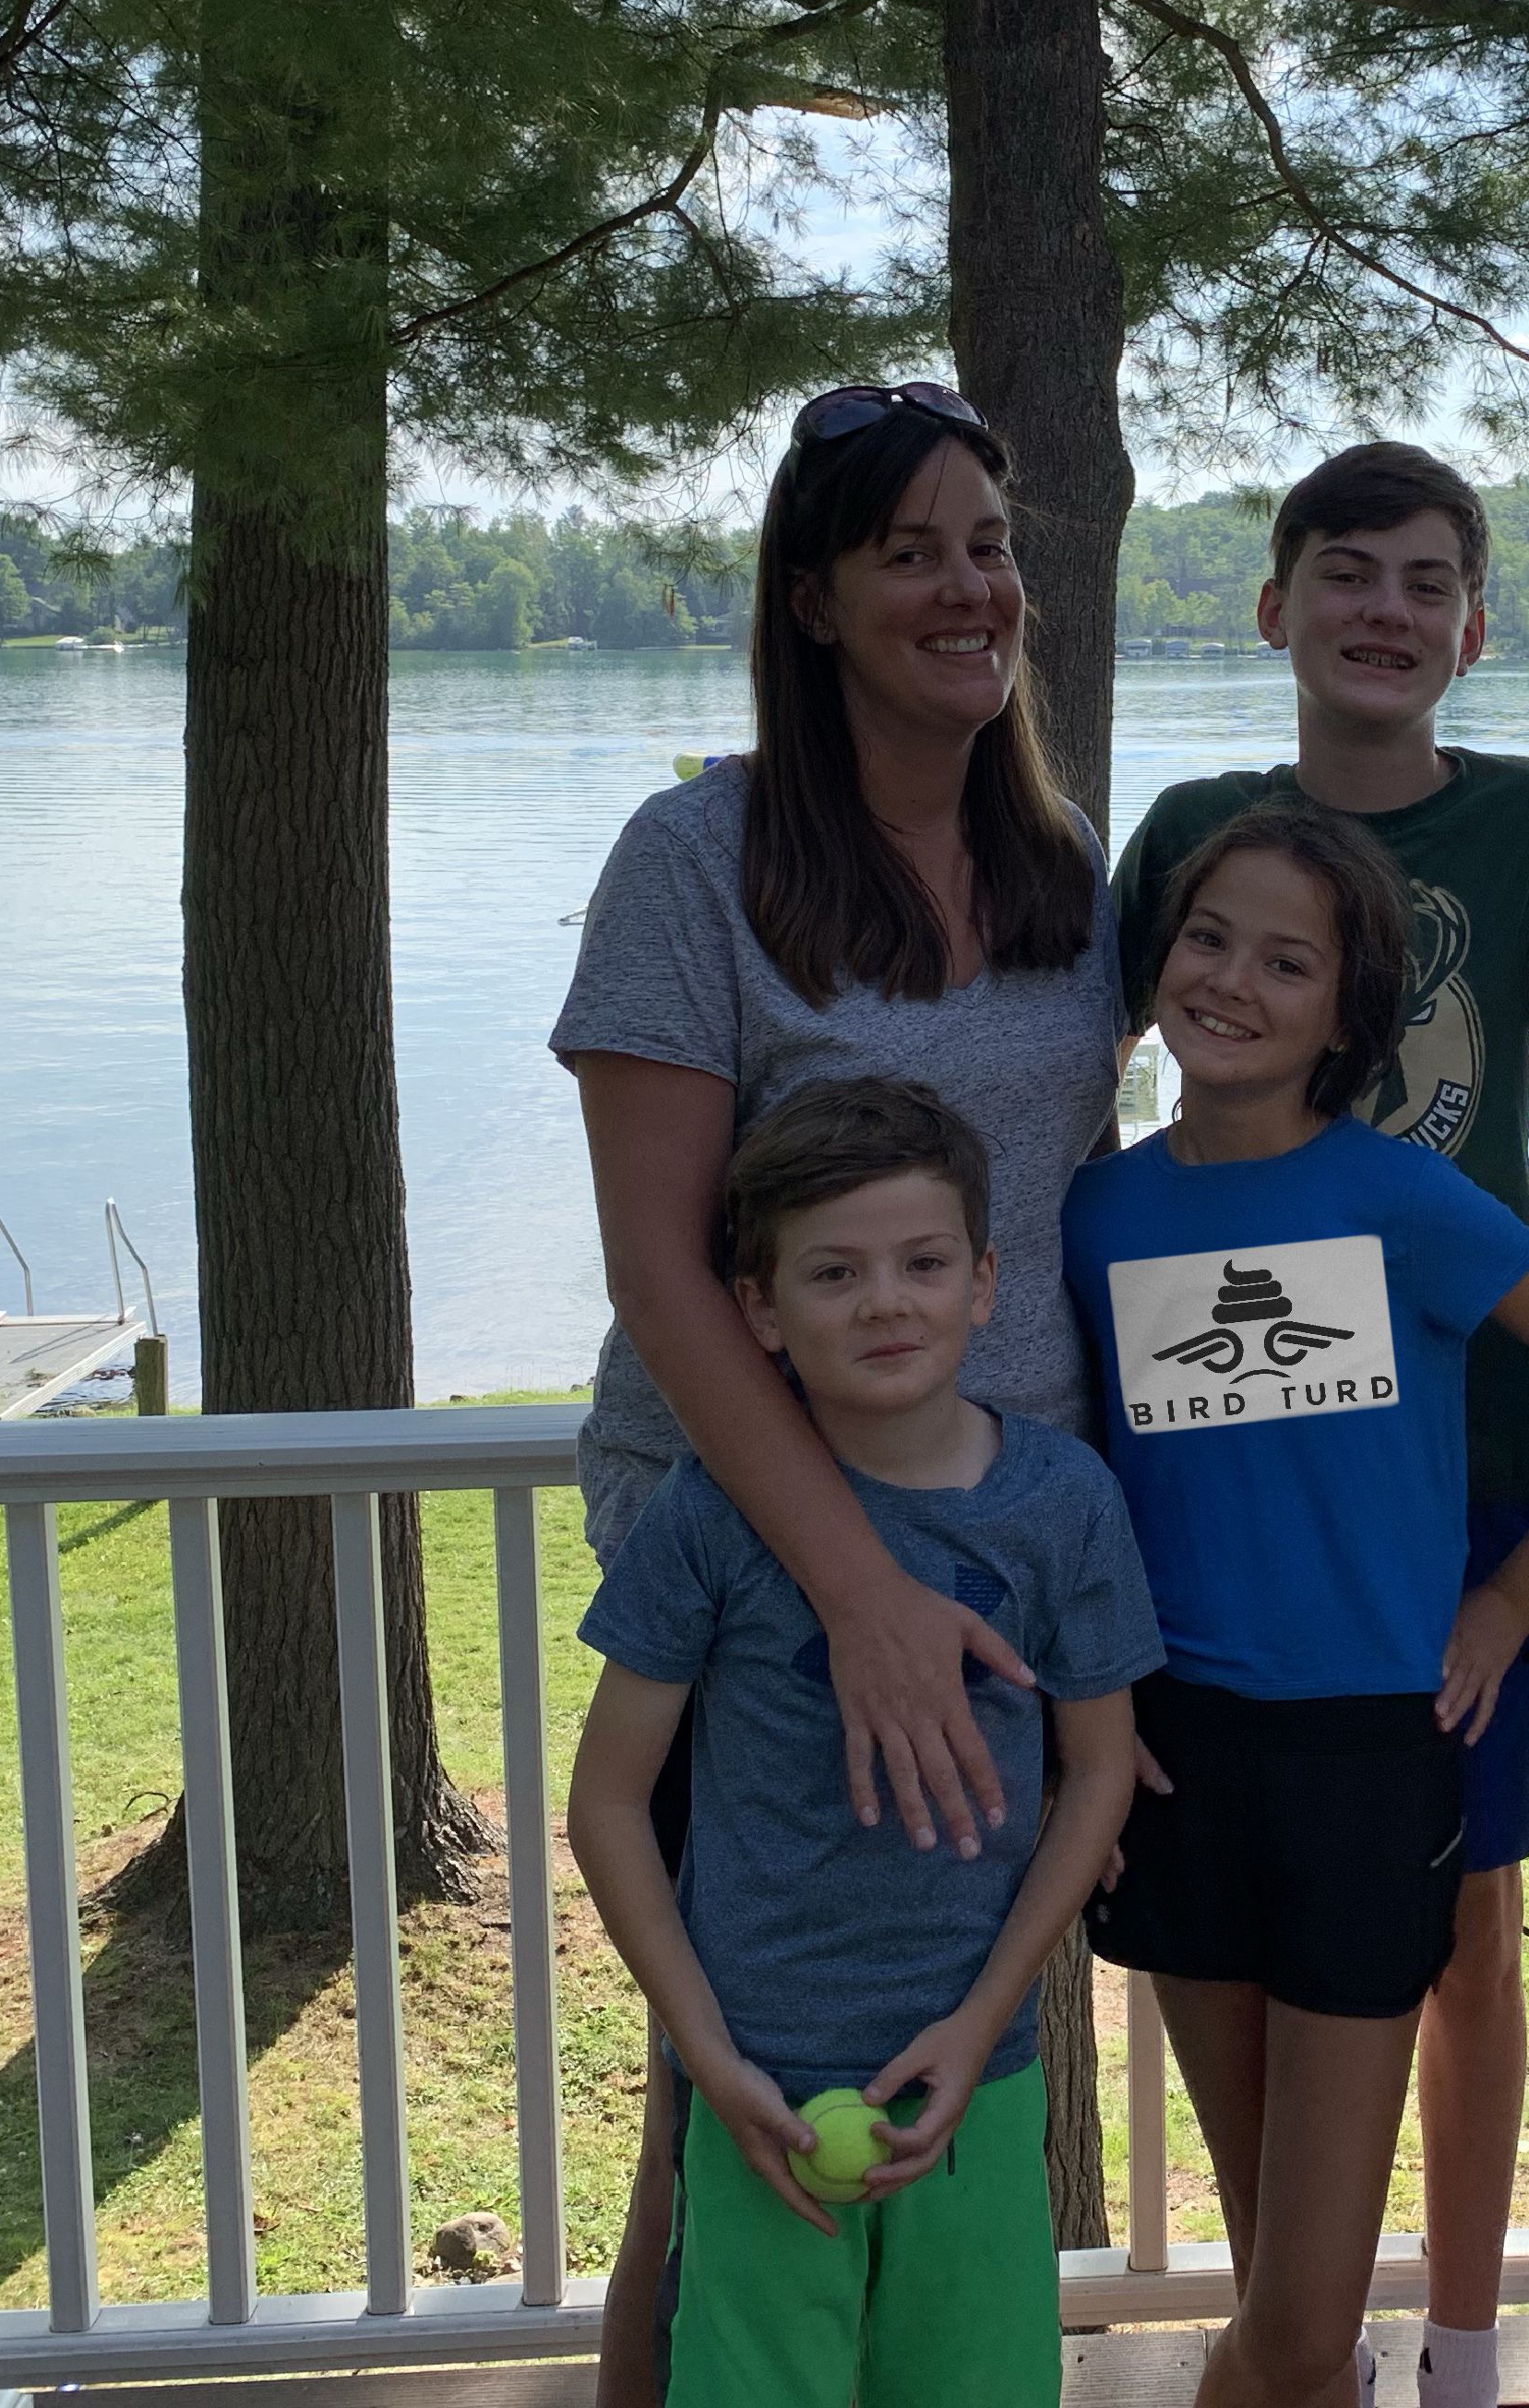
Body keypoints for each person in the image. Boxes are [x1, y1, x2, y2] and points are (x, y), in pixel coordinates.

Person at [551, 381, 1123, 2403]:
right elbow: (661, 1268)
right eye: (911, 554)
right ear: (812, 601)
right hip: (764, 1563)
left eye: (992, 547)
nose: (972, 591)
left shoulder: (1060, 862)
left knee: (969, 2062)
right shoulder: (692, 859)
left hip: (1009, 1559)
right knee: (731, 2131)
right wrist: (857, 1595)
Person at [1070, 803, 1529, 2408]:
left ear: (1351, 1014)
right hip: (1177, 1755)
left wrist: (1508, 1600)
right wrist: (1093, 1703)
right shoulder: (1097, 1215)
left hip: (1368, 1756)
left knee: (1292, 2322)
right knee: (1279, 2287)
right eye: (1209, 939)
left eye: (1288, 962)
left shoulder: (1400, 1198)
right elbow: (1074, 1479)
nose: (1233, 982)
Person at [1106, 441, 1529, 2408]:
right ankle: (1301, 2337)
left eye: (1425, 582)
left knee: (1465, 1927)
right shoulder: (1194, 829)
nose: (1384, 612)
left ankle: (1456, 2343)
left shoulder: (1528, 815)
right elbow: (1094, 1079)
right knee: (1243, 1938)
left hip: (1477, 1467)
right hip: (1232, 1498)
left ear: (1472, 630)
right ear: (1275, 605)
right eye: (1346, 573)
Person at [567, 1078, 1156, 2408]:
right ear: (760, 1310)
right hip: (756, 2088)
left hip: (978, 2078)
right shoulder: (711, 1515)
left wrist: (984, 2019)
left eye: (924, 1264)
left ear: (986, 1283)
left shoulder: (1062, 1502)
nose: (885, 1302)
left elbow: (1100, 1769)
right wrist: (708, 2056)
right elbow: (606, 1802)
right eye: (834, 1273)